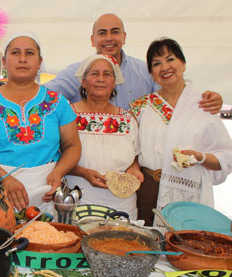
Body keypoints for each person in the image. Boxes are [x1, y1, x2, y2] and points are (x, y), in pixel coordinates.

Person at [0, 33, 81, 212]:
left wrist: (59, 172)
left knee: (48, 237)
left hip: (47, 192)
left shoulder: (58, 102)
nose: (23, 59)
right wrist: (5, 179)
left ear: (39, 62)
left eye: (30, 53)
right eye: (16, 53)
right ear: (5, 61)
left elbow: (73, 146)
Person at [130, 38, 232, 226]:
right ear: (151, 73)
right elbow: (129, 148)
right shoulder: (141, 106)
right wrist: (134, 167)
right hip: (147, 189)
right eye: (156, 63)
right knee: (146, 246)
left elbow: (226, 156)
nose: (164, 67)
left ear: (183, 64)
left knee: (183, 246)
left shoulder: (204, 105)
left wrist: (200, 157)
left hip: (188, 193)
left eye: (170, 59)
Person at [44, 13, 223, 113]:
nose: (109, 38)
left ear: (124, 37)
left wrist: (207, 99)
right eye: (102, 33)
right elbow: (43, 95)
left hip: (137, 162)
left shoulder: (145, 71)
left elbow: (173, 96)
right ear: (92, 40)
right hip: (86, 165)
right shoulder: (76, 72)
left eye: (114, 32)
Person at [66, 54, 141, 218]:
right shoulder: (68, 114)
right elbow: (56, 156)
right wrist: (82, 172)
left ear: (114, 83)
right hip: (80, 197)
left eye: (107, 74)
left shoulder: (127, 118)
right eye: (94, 74)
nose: (101, 79)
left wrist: (134, 168)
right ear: (83, 82)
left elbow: (135, 156)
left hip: (122, 202)